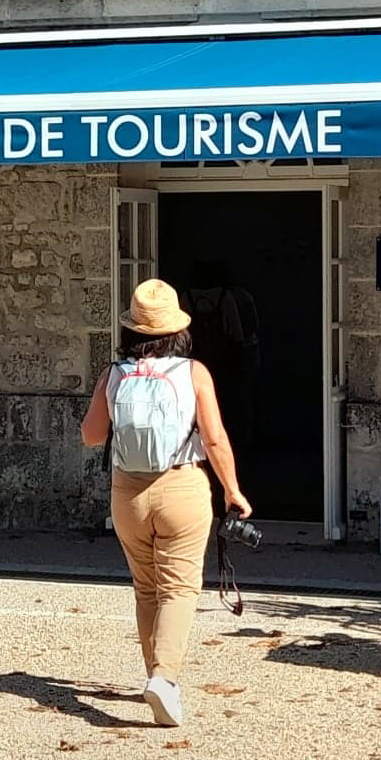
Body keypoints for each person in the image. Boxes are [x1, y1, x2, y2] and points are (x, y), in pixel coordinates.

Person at [81, 278, 253, 728]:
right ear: (177, 329)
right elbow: (214, 439)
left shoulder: (113, 374)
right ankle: (164, 677)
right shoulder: (193, 372)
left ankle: (153, 674)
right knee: (179, 588)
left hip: (127, 493)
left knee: (147, 588)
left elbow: (91, 435)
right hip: (181, 486)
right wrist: (232, 490)